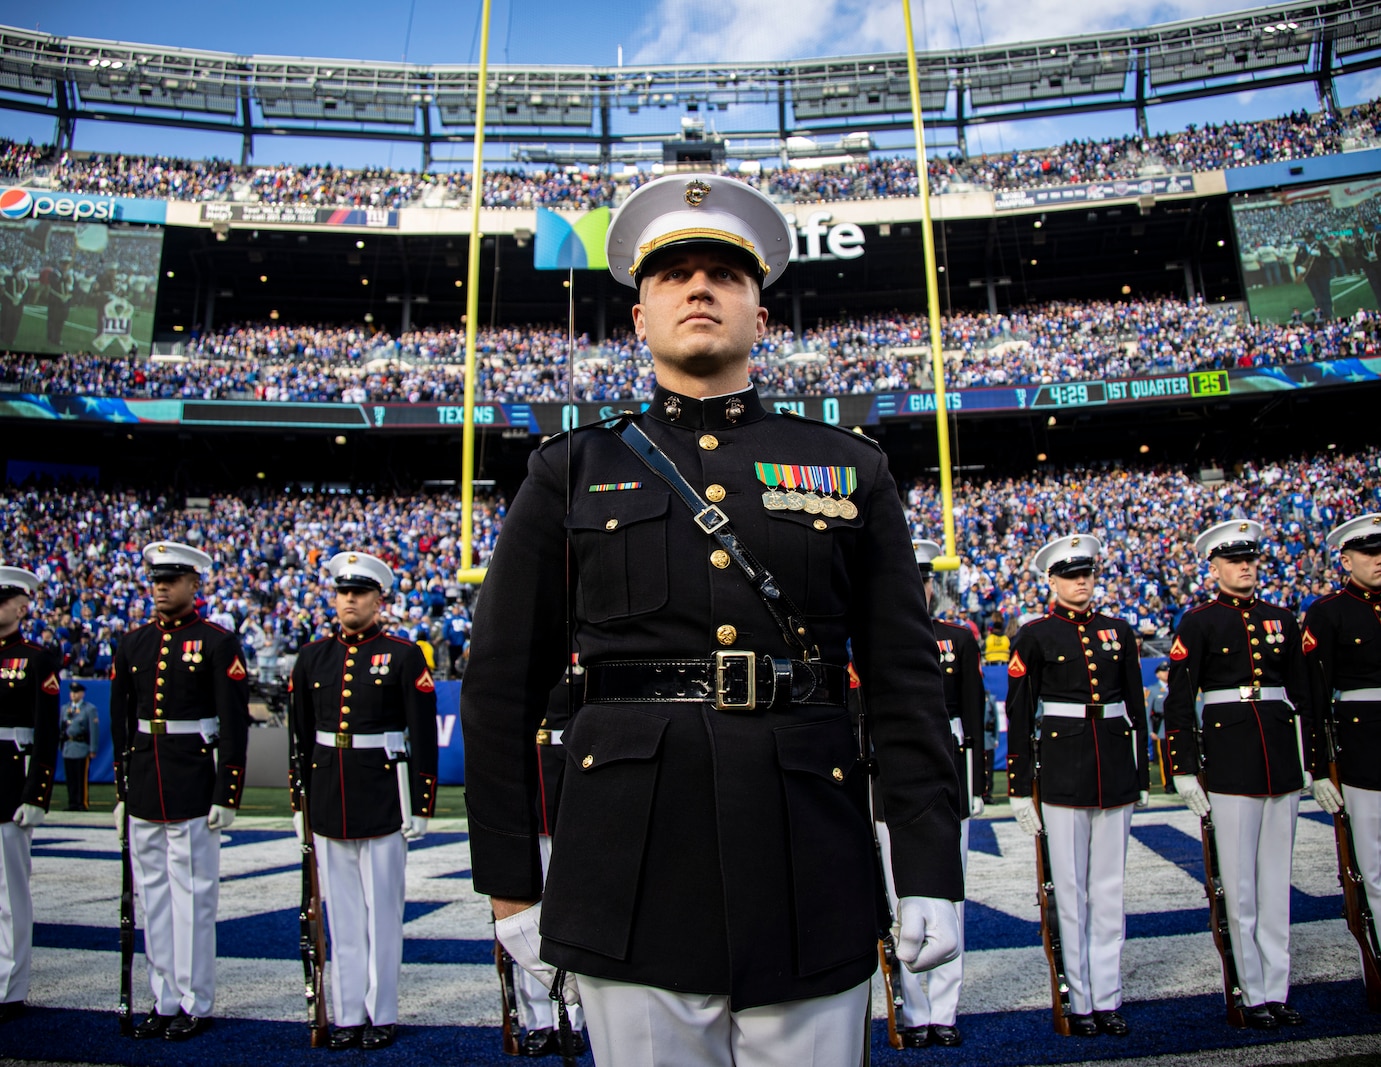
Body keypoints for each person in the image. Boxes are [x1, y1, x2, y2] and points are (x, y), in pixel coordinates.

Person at [461, 173, 964, 1067]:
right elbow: (500, 685)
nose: (700, 288)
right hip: (628, 860)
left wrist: (928, 866)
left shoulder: (849, 466)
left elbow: (904, 681)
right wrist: (509, 881)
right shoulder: (568, 469)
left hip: (809, 850)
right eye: (673, 275)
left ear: (759, 316)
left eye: (727, 274)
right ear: (639, 319)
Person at [1164, 519, 1312, 1030]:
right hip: (1227, 763)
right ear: (1215, 568)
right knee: (1242, 889)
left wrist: (1311, 762)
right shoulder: (1199, 622)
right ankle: (1250, 993)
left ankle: (1277, 989)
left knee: (1276, 886)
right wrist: (1184, 768)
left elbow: (1303, 696)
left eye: (1250, 559)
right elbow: (1180, 701)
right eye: (1234, 560)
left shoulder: (1281, 619)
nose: (1245, 566)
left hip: (1280, 760)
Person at [289, 551, 438, 1052]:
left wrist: (420, 804)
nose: (349, 599)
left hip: (382, 795)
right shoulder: (312, 657)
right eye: (342, 592)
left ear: (379, 599)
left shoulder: (402, 654)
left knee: (382, 915)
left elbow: (421, 732)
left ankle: (383, 1012)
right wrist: (299, 803)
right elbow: (301, 735)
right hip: (330, 793)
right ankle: (348, 1012)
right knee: (343, 917)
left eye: (359, 592)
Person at [1005, 534, 1148, 1037]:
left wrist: (1142, 773)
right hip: (1063, 772)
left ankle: (1107, 998)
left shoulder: (1119, 632)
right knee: (1069, 893)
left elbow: (1136, 706)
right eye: (1071, 575)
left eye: (1087, 573)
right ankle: (1078, 1000)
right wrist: (1020, 787)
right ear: (1053, 581)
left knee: (1109, 892)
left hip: (1114, 770)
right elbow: (1019, 713)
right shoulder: (1035, 634)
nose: (1081, 582)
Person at [109, 541, 250, 1041]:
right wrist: (123, 788)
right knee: (154, 899)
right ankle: (163, 996)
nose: (162, 587)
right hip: (148, 777)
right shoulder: (134, 644)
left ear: (195, 583)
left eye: (172, 579)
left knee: (193, 897)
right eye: (156, 579)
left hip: (193, 777)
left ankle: (195, 999)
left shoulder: (216, 642)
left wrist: (227, 791)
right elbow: (122, 723)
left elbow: (234, 723)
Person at [878, 540, 985, 1048]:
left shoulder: (958, 640)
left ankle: (945, 1010)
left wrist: (978, 784)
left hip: (948, 778)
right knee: (900, 898)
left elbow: (972, 717)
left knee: (948, 896)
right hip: (887, 784)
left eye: (925, 578)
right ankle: (914, 1012)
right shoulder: (870, 642)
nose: (919, 586)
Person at [1301, 513, 1381, 985]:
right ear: (1346, 559)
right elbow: (1313, 696)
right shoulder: (1328, 612)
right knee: (1373, 864)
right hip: (1362, 749)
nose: (1378, 561)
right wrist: (1318, 767)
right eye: (1369, 554)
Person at [513, 660, 589, 1057]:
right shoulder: (517, 642)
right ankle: (536, 1020)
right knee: (528, 909)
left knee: (573, 907)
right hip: (528, 779)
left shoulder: (583, 642)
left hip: (573, 773)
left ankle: (575, 1018)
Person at [0, 567, 60, 1023]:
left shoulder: (36, 659)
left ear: (23, 606)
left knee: (8, 893)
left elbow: (45, 733)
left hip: (8, 777)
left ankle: (9, 988)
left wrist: (37, 792)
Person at [61, 680, 98, 811]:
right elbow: (62, 728)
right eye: (72, 692)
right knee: (70, 777)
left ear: (82, 694)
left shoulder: (89, 709)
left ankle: (82, 802)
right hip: (68, 747)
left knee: (81, 777)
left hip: (81, 747)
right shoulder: (65, 709)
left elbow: (93, 730)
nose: (73, 695)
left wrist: (93, 749)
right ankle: (72, 802)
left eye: (76, 692)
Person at [1147, 662, 1174, 793]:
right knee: (1165, 758)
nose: (1167, 674)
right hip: (1161, 729)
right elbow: (1147, 712)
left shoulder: (1176, 686)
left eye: (1168, 671)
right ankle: (1168, 784)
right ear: (1157, 674)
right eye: (1164, 671)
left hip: (1176, 726)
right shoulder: (1152, 690)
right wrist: (1151, 730)